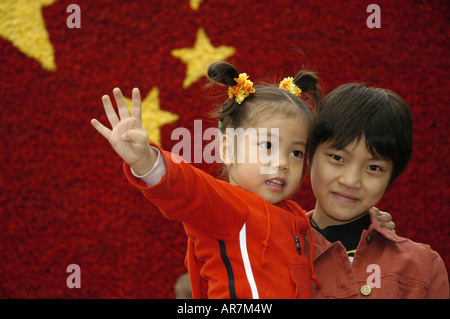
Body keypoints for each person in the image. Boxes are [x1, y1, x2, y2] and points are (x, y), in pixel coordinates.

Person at [91, 62, 394, 299]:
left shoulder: (296, 219)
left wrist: (371, 223)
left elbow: (324, 236)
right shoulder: (225, 205)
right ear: (227, 148)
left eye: (297, 152)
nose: (282, 163)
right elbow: (185, 187)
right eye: (267, 146)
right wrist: (146, 161)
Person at [304, 83, 449, 298]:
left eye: (374, 168)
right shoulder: (271, 250)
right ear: (308, 154)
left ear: (391, 177)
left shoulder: (423, 267)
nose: (351, 181)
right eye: (337, 158)